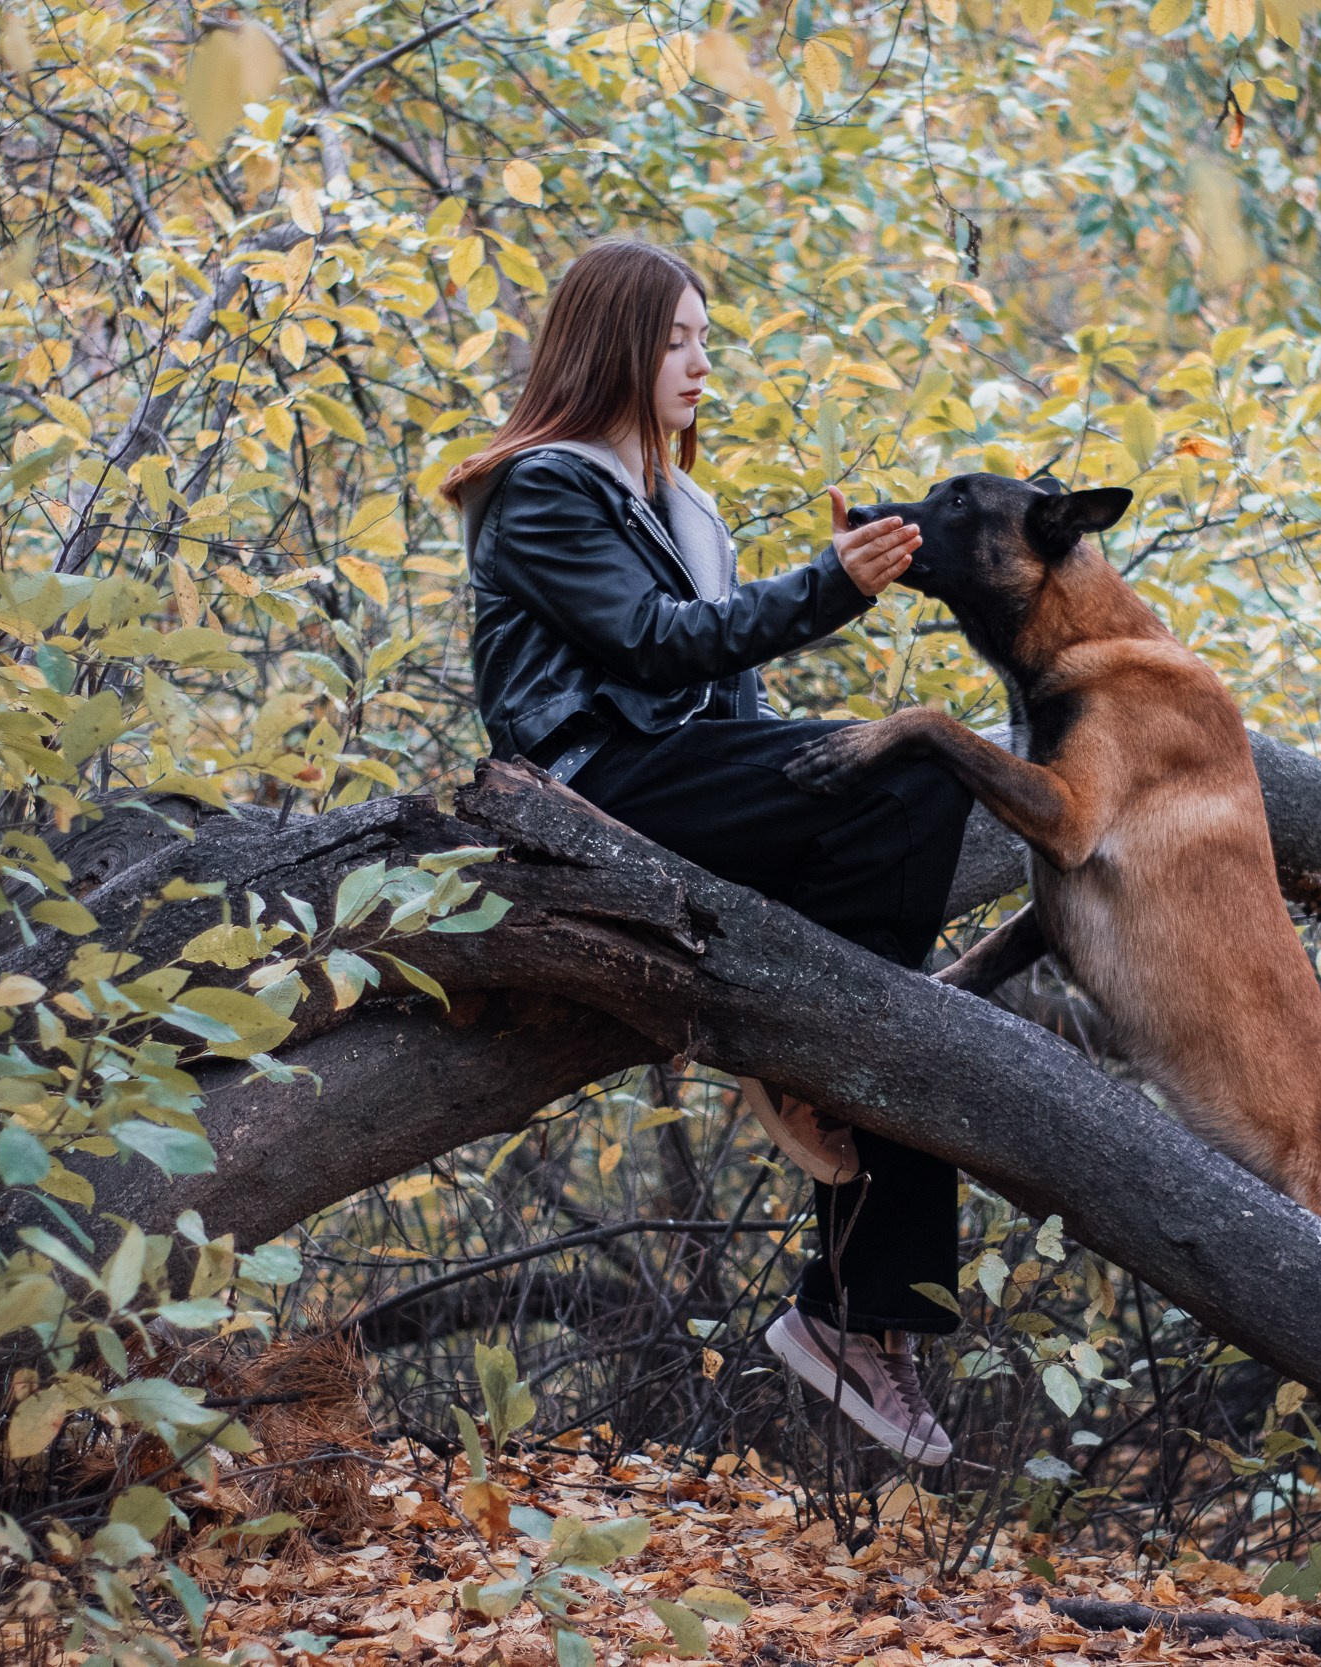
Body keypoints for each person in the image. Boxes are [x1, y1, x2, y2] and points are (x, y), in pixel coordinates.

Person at [443, 239, 967, 1464]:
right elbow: (655, 646)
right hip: (591, 794)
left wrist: (801, 773)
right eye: (677, 338)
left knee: (904, 861)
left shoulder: (684, 506)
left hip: (678, 783)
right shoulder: (542, 488)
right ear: (613, 344)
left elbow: (728, 700)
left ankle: (852, 1311)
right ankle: (814, 1072)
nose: (698, 363)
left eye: (704, 340)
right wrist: (828, 586)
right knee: (914, 771)